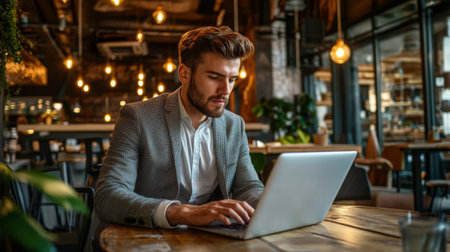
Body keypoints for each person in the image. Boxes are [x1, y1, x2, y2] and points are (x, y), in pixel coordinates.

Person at [94, 26, 264, 229]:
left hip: (208, 239)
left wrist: (272, 206)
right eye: (214, 77)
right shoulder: (138, 118)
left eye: (232, 79)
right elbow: (108, 196)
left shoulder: (233, 125)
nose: (225, 90)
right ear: (184, 73)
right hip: (145, 237)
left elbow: (249, 187)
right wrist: (180, 212)